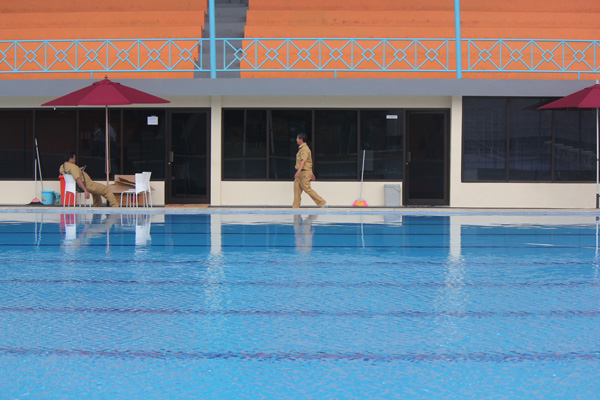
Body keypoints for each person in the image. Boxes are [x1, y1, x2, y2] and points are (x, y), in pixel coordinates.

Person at [293, 133, 327, 208]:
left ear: (301, 139)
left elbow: (303, 161)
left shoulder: (305, 149)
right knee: (296, 190)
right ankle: (295, 207)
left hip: (303, 172)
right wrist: (311, 173)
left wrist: (298, 171)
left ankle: (321, 202)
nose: (296, 140)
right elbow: (309, 161)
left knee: (307, 188)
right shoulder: (302, 149)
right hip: (302, 172)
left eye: (297, 138)